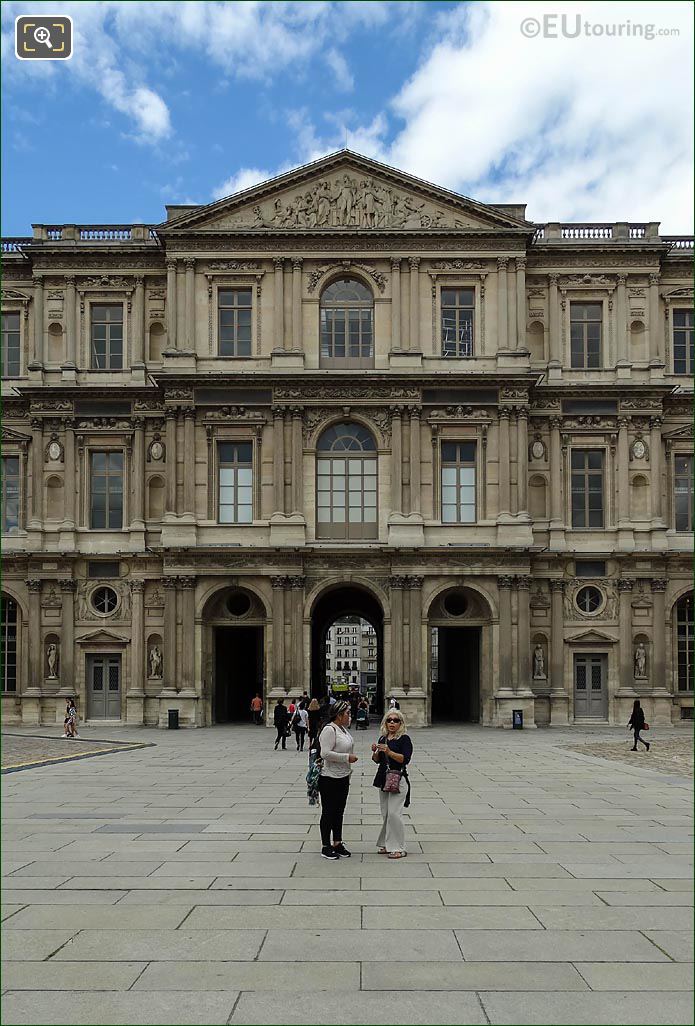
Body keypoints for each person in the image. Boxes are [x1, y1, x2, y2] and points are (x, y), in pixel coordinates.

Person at [317, 700, 358, 859]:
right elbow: (325, 754)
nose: (350, 716)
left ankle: (337, 842)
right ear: (339, 715)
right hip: (329, 777)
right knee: (328, 811)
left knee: (339, 812)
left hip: (343, 776)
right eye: (348, 713)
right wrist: (346, 757)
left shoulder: (342, 729)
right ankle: (326, 845)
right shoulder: (329, 730)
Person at [371, 709, 412, 859]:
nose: (392, 723)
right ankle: (386, 843)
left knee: (395, 814)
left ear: (401, 723)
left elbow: (404, 759)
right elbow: (377, 760)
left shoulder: (404, 739)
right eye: (389, 720)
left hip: (398, 779)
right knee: (386, 813)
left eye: (396, 720)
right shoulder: (383, 738)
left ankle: (398, 847)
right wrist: (376, 752)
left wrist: (389, 752)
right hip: (383, 778)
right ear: (385, 722)